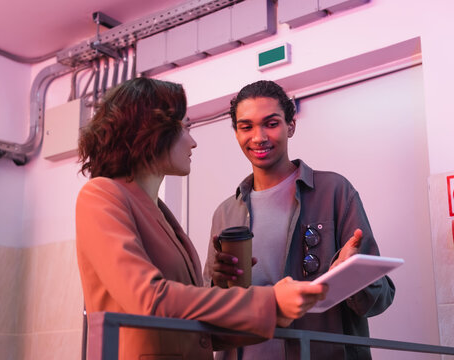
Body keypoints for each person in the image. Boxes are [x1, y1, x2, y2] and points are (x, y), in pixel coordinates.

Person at [75, 77, 329, 360]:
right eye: (184, 127)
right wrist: (269, 302)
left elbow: (194, 329)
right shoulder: (100, 194)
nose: (192, 141)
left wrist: (275, 312)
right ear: (152, 133)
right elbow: (148, 298)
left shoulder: (158, 211)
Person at [204, 80, 396, 360]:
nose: (258, 137)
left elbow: (381, 298)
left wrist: (353, 275)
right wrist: (217, 285)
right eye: (246, 127)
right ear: (236, 133)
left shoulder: (334, 191)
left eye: (271, 123)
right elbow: (207, 310)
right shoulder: (225, 213)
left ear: (291, 126)